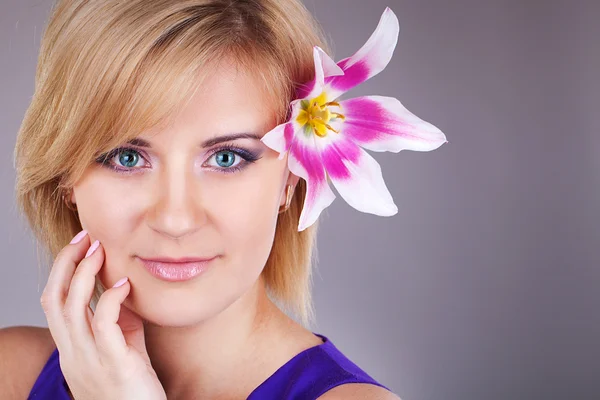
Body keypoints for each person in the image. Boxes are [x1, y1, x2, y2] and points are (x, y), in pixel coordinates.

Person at [1, 0, 446, 398]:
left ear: (292, 179)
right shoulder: (11, 374)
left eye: (227, 158)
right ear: (64, 177)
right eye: (127, 156)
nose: (175, 219)